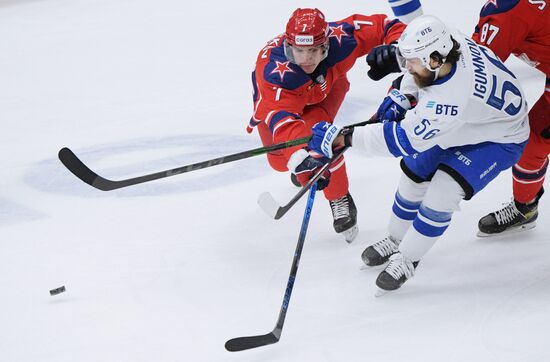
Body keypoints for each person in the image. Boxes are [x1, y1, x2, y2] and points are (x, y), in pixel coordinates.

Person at [307, 15, 529, 293]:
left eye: (411, 62)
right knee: (413, 173)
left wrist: (345, 137)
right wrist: (404, 94)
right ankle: (395, 238)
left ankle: (408, 259)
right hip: (474, 119)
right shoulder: (447, 37)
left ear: (435, 60)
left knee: (443, 192)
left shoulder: (448, 101)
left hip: (501, 137)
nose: (405, 66)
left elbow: (401, 140)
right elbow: (420, 73)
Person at [247, 8, 405, 243]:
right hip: (281, 105)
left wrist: (396, 49)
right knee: (280, 161)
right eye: (298, 51)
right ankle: (306, 167)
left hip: (325, 92)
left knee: (319, 140)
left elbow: (388, 26)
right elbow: (282, 119)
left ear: (326, 45)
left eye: (312, 50)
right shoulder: (275, 73)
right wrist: (299, 158)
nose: (305, 59)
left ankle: (338, 196)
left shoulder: (343, 38)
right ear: (289, 47)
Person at [472, 0, 550, 236]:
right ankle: (524, 207)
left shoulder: (507, 11)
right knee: (534, 140)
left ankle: (524, 206)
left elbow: (477, 71)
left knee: (535, 140)